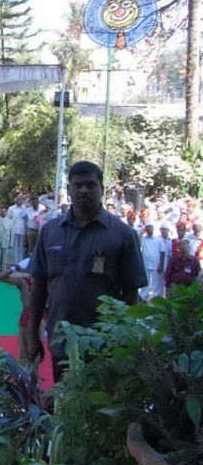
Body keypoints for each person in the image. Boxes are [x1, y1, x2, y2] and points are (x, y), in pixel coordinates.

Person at [26, 161, 147, 382]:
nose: (83, 190)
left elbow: (131, 294)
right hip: (61, 338)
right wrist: (33, 335)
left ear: (101, 189)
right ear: (69, 189)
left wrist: (123, 341)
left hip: (105, 343)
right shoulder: (51, 232)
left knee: (100, 408)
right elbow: (39, 287)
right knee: (64, 403)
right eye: (78, 185)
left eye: (90, 185)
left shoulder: (122, 234)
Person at [141, 223, 167, 301]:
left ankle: (157, 298)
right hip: (146, 263)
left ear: (153, 229)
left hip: (156, 263)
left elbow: (162, 252)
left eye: (150, 227)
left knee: (157, 282)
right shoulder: (143, 239)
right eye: (147, 228)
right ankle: (143, 297)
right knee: (145, 281)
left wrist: (161, 265)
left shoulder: (159, 239)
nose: (149, 229)